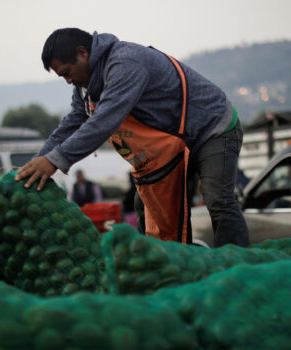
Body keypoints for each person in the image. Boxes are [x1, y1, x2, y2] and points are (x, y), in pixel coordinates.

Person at [15, 28, 249, 247]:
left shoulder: (125, 63)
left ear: (82, 53)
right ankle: (162, 265)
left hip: (211, 128)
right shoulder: (86, 87)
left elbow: (104, 121)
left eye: (67, 72)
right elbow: (71, 124)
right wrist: (39, 160)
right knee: (145, 205)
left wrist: (55, 160)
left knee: (218, 200)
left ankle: (238, 268)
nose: (68, 81)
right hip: (171, 144)